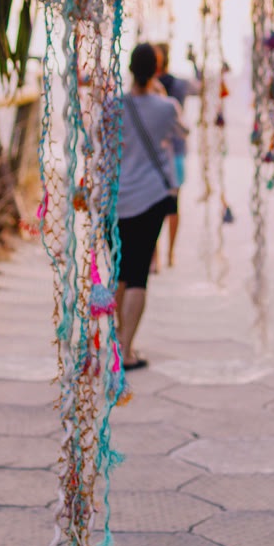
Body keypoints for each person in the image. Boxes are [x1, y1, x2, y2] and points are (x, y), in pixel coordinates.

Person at [114, 42, 185, 370]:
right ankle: (127, 349)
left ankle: (117, 336)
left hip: (118, 197)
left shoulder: (114, 106)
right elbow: (183, 132)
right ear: (156, 70)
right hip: (152, 196)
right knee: (139, 273)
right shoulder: (167, 107)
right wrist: (157, 90)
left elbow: (100, 144)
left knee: (121, 270)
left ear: (129, 68)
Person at [151, 44, 199, 272]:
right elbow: (201, 87)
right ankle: (169, 253)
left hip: (156, 153)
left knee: (153, 206)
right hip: (177, 150)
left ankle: (156, 256)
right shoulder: (180, 85)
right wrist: (195, 64)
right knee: (172, 204)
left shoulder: (149, 86)